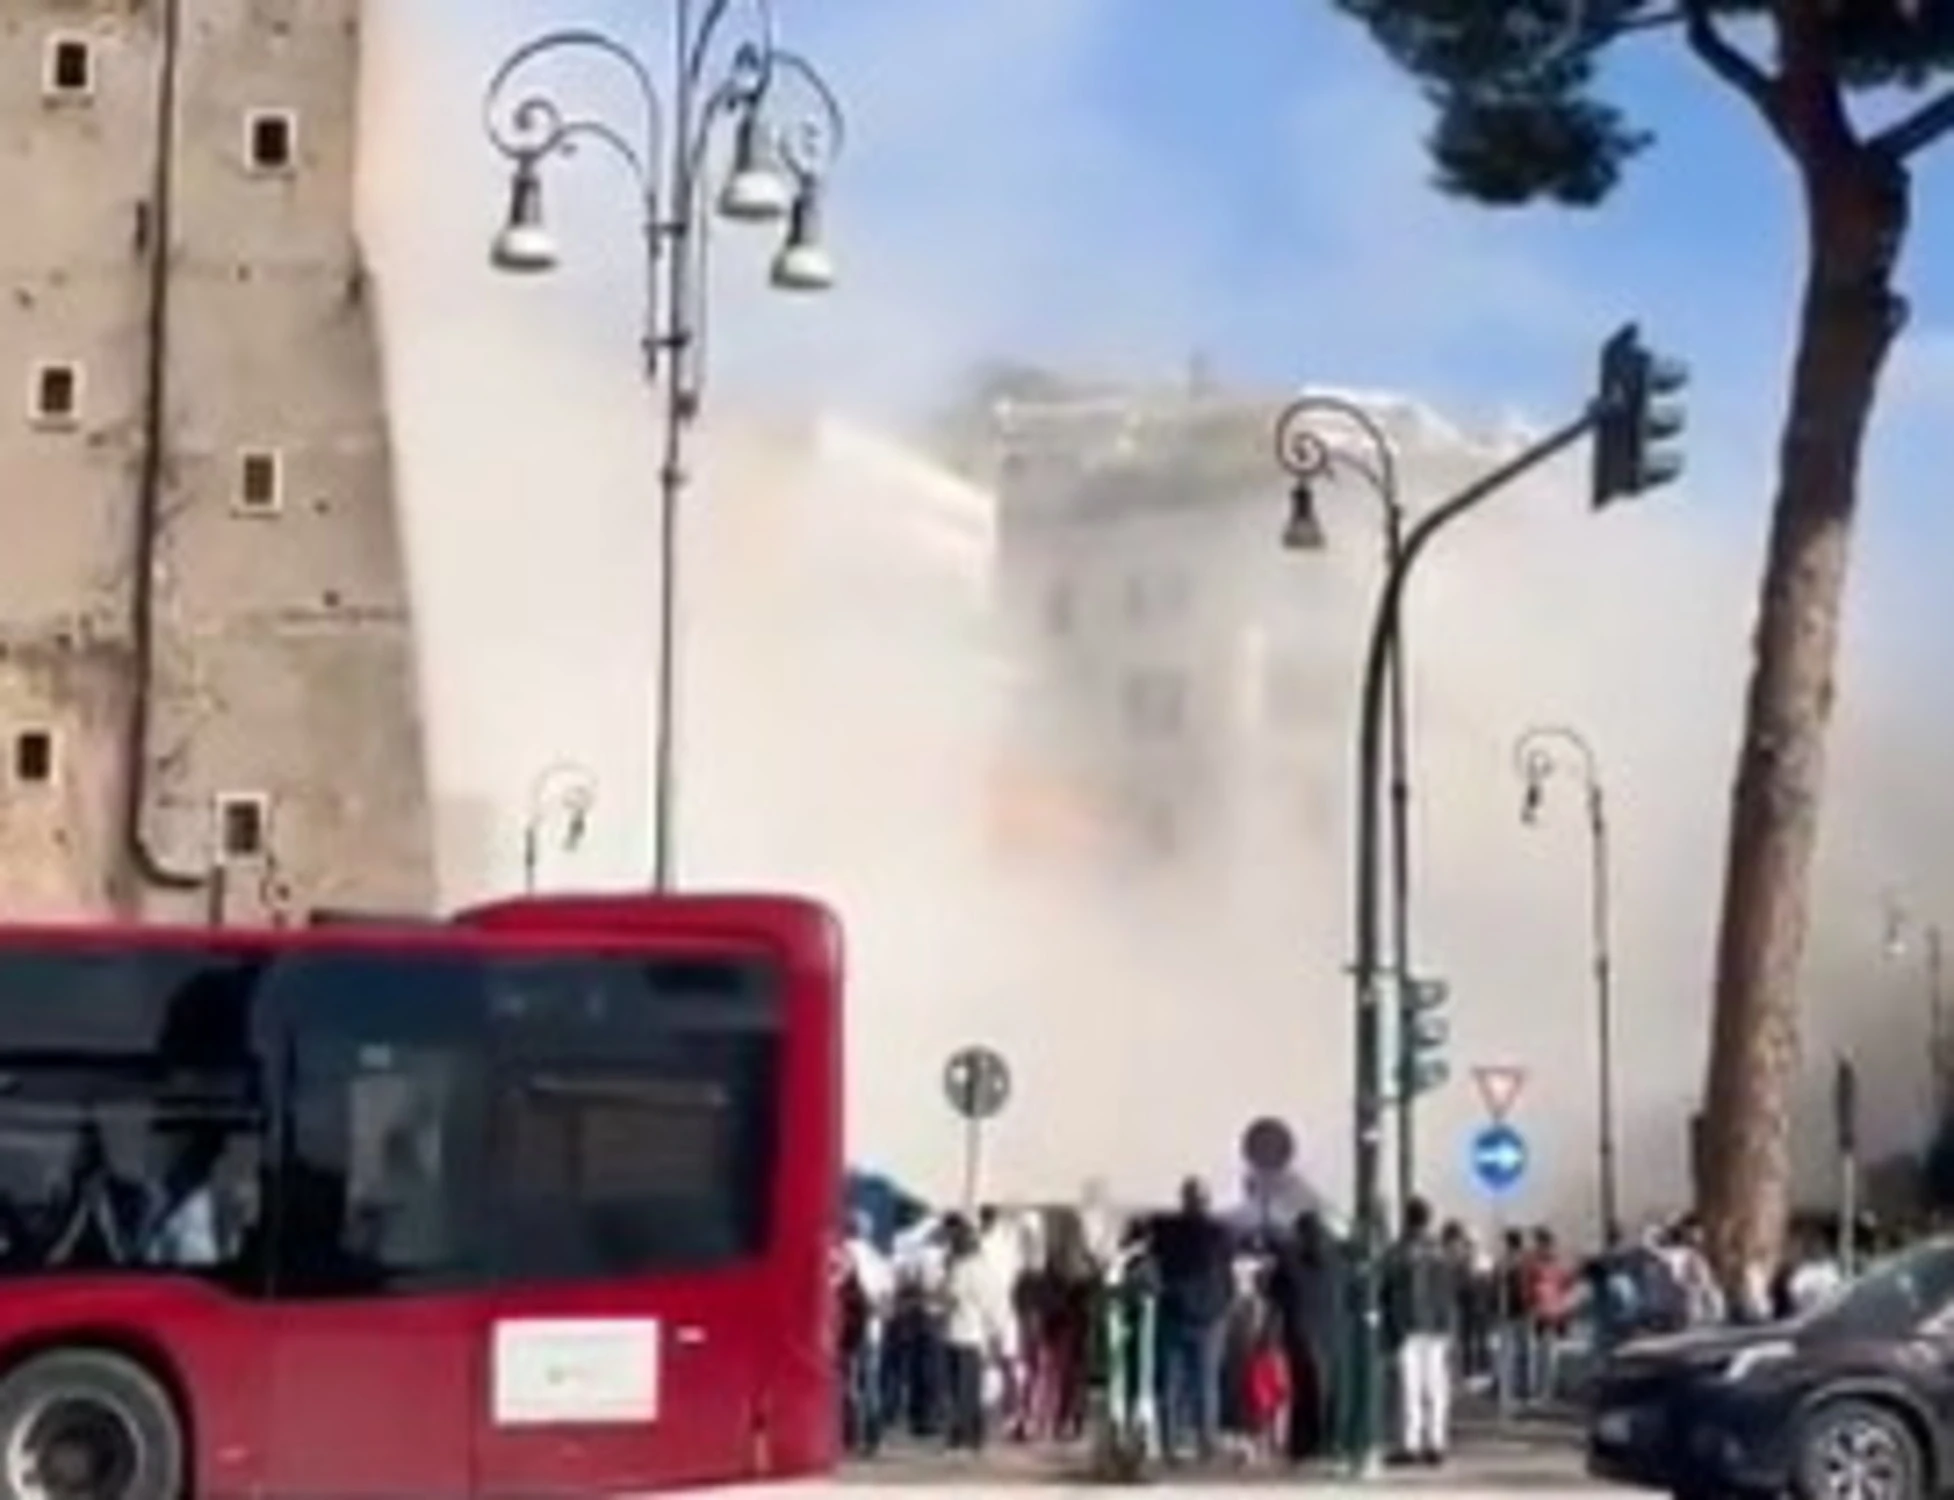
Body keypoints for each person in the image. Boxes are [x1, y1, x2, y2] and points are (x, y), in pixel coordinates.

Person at [1148, 1177, 1234, 1463]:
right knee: (1206, 1383)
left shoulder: (1167, 1232)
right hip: (1210, 1315)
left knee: (1170, 1382)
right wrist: (1224, 1303)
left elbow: (1153, 1257)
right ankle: (1206, 1443)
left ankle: (1169, 1443)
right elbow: (1227, 1272)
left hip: (1175, 1311)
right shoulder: (1219, 1233)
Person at [1381, 1196, 1457, 1466]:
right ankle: (1436, 1443)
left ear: (1407, 1219)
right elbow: (1450, 1292)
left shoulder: (1398, 1252)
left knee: (1409, 1389)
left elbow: (1386, 1288)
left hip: (1408, 1327)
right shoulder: (1440, 1252)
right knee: (1435, 1387)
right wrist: (1449, 1327)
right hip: (1437, 1327)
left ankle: (1409, 1444)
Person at [941, 1213, 1002, 1452]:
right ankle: (961, 1434)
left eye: (955, 1237)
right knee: (956, 1389)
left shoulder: (977, 1268)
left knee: (968, 1389)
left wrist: (994, 1332)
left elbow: (989, 1302)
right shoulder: (954, 1265)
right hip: (953, 1333)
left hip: (971, 1334)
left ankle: (971, 1435)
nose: (952, 1242)